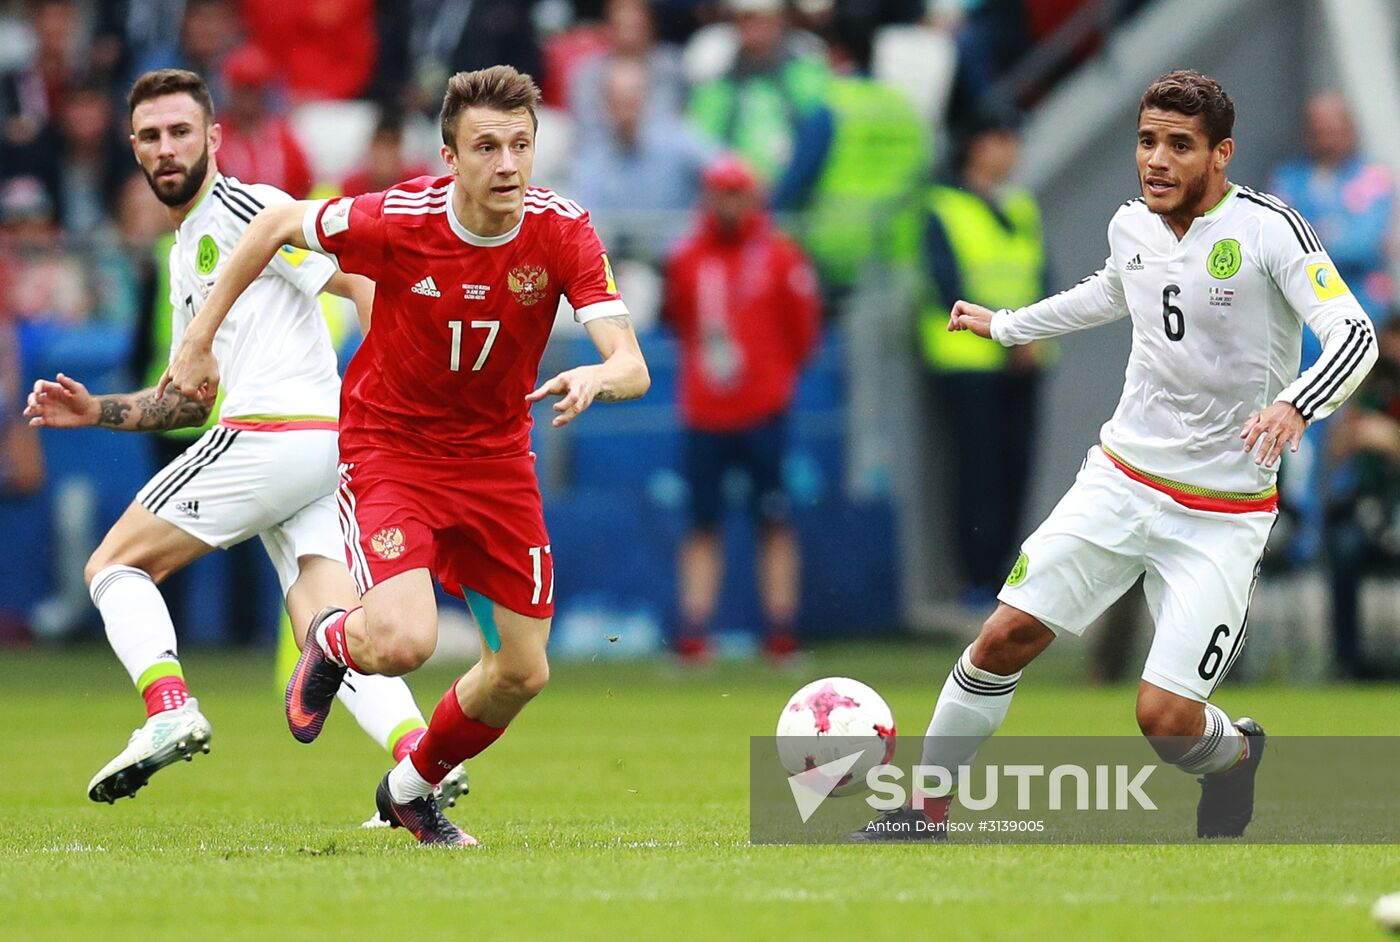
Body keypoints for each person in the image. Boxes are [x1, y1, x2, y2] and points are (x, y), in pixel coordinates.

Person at [858, 71, 1378, 842]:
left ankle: (1234, 758)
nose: (1156, 160)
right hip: (1121, 481)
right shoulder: (1132, 225)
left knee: (1165, 720)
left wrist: (1295, 403)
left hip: (1222, 513)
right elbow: (1110, 291)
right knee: (1003, 636)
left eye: (1179, 145)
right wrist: (1009, 325)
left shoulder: (1270, 230)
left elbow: (1355, 336)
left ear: (1221, 154)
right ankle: (924, 809)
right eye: (1146, 142)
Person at [161, 65, 650, 847]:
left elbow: (632, 364)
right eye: (486, 147)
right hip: (395, 449)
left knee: (522, 671)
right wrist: (199, 337)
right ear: (449, 157)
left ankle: (409, 791)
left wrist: (599, 373)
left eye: (521, 145)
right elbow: (275, 224)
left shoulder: (562, 229)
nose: (508, 165)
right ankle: (333, 638)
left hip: (496, 462)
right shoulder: (397, 217)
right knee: (402, 642)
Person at [23, 69, 466, 817]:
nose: (167, 148)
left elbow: (361, 279)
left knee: (114, 564)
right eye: (152, 136)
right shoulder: (185, 248)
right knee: (327, 628)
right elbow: (187, 399)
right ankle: (421, 760)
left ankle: (168, 709)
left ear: (214, 137)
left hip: (276, 433)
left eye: (181, 132)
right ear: (134, 147)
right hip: (318, 452)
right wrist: (95, 410)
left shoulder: (248, 209)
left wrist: (393, 394)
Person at [664, 155, 821, 664]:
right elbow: (679, 320)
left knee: (773, 520)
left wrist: (770, 381)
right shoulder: (688, 257)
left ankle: (781, 629)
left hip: (763, 411)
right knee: (701, 522)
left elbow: (803, 331)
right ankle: (694, 630)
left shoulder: (780, 256)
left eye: (738, 193)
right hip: (705, 411)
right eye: (722, 193)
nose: (730, 204)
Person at [918, 111, 1048, 604]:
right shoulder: (942, 207)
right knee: (977, 472)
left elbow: (1041, 277)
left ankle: (1003, 575)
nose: (1013, 150)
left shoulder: (1020, 205)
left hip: (1025, 358)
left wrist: (1027, 334)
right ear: (977, 145)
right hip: (968, 360)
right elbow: (946, 286)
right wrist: (1006, 335)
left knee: (1016, 470)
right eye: (1003, 138)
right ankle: (974, 577)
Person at [1270, 92, 1394, 324]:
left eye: (1333, 131)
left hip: (1365, 303)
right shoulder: (1288, 178)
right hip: (1305, 305)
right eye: (1319, 132)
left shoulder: (1373, 177)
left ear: (1349, 129)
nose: (1327, 140)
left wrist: (1310, 241)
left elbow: (1365, 245)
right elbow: (1277, 241)